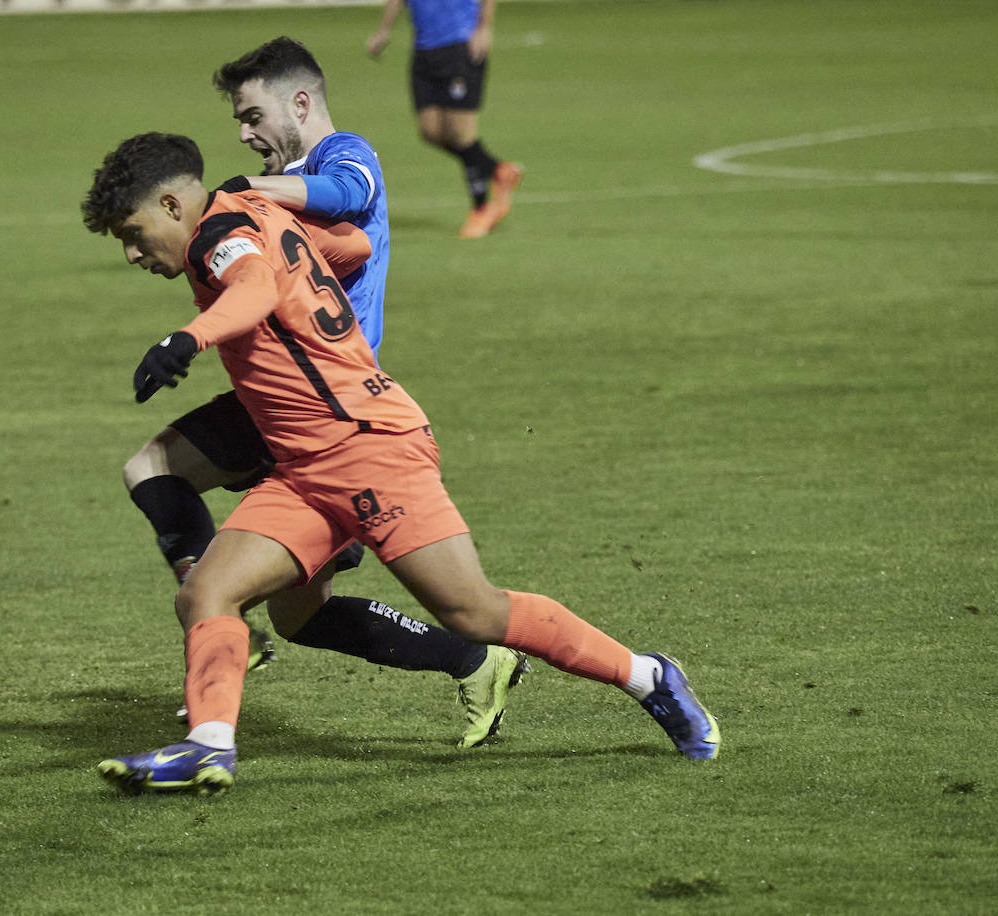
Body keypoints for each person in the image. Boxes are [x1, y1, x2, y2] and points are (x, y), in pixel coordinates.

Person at [81, 132, 720, 794]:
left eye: (134, 232)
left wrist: (188, 337)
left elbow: (253, 286)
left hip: (369, 450)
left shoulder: (220, 239)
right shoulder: (254, 214)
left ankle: (649, 675)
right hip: (304, 470)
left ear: (171, 202)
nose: (131, 252)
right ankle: (207, 745)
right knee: (208, 593)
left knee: (474, 613)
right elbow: (351, 248)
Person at [120, 37, 527, 749]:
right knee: (299, 616)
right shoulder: (263, 195)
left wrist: (240, 194)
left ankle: (222, 629)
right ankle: (473, 660)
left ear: (300, 103)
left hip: (332, 411)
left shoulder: (346, 156)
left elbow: (350, 197)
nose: (244, 135)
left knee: (157, 471)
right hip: (286, 405)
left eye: (253, 116)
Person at [367, 0, 522, 238]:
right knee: (430, 131)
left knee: (461, 133)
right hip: (424, 50)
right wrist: (383, 30)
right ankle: (499, 171)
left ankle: (481, 209)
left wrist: (484, 27)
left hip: (460, 45)